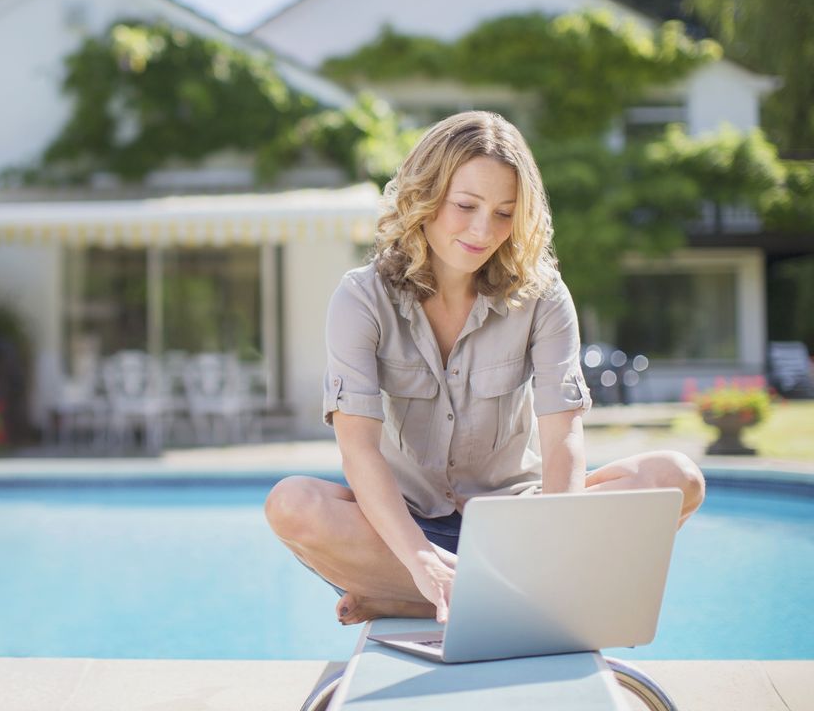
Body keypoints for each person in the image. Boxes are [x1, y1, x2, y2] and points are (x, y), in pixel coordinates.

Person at [264, 111, 706, 627]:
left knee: (678, 478)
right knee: (291, 503)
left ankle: (407, 600)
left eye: (504, 213)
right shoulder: (361, 298)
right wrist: (420, 557)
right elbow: (357, 449)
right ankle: (454, 589)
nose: (483, 230)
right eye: (466, 205)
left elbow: (563, 434)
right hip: (405, 530)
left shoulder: (543, 295)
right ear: (424, 198)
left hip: (522, 524)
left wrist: (555, 539)